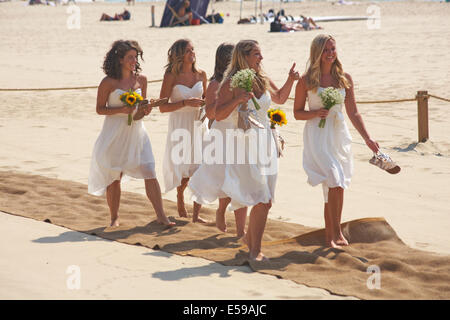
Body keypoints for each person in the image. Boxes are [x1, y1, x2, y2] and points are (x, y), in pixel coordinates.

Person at [204, 40, 299, 261]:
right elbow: (217, 115)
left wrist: (291, 80)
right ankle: (255, 250)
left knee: (266, 199)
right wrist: (237, 98)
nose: (261, 58)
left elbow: (280, 98)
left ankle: (252, 242)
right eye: (257, 54)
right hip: (246, 144)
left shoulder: (262, 78)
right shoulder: (231, 82)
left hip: (266, 141)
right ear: (244, 56)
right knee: (261, 198)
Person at [293, 34, 379, 249]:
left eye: (333, 49)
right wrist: (315, 113)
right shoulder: (306, 81)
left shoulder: (344, 78)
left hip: (338, 134)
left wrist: (368, 138)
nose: (331, 53)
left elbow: (353, 112)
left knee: (333, 187)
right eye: (326, 50)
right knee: (335, 179)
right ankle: (337, 231)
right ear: (317, 53)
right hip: (316, 135)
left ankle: (329, 235)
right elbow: (296, 113)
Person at [88, 40, 175, 228]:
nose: (134, 61)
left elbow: (138, 113)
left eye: (135, 57)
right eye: (130, 57)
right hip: (114, 134)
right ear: (119, 59)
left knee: (149, 171)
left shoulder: (141, 80)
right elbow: (100, 109)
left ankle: (161, 216)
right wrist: (121, 111)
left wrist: (145, 110)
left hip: (137, 133)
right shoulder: (108, 82)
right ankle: (114, 218)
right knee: (114, 175)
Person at [188, 43, 248, 237]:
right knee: (217, 174)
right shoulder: (215, 83)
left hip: (237, 132)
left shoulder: (241, 80)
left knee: (234, 176)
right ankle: (218, 211)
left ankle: (233, 219)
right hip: (221, 134)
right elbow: (212, 112)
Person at [159, 39, 209, 223]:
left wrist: (206, 105)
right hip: (180, 123)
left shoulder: (202, 74)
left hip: (198, 124)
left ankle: (196, 212)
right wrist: (185, 103)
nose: (192, 53)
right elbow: (162, 107)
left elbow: (207, 100)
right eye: (188, 50)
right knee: (183, 166)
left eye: (193, 49)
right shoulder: (171, 76)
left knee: (201, 166)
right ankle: (180, 195)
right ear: (180, 55)